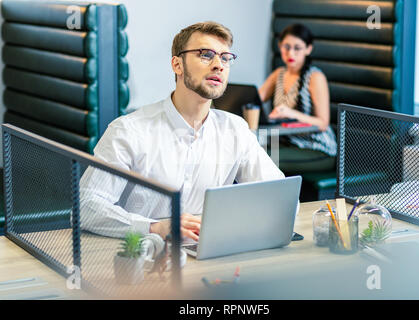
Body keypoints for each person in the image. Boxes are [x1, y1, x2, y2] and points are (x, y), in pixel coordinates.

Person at [80, 21, 284, 241]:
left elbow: (278, 195)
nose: (219, 65)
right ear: (177, 65)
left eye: (225, 58)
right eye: (206, 54)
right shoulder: (128, 131)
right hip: (142, 258)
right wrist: (154, 227)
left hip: (209, 255)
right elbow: (86, 208)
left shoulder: (236, 129)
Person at [258, 24, 337, 173]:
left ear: (308, 49)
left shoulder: (315, 77)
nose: (291, 53)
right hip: (287, 144)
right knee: (247, 156)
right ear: (279, 46)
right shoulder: (278, 74)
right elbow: (253, 101)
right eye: (286, 47)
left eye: (297, 48)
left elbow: (322, 123)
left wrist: (291, 113)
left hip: (317, 148)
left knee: (265, 161)